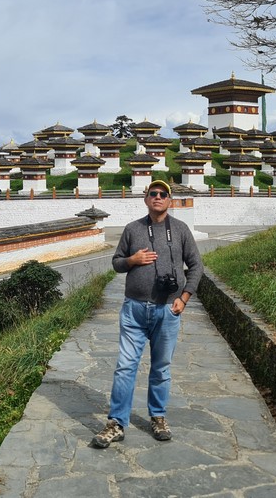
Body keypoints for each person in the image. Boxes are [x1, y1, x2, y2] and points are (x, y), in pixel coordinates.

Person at [91, 179, 204, 449]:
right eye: (152, 193)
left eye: (163, 194)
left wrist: (185, 297)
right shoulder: (133, 229)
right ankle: (117, 423)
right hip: (135, 309)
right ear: (145, 199)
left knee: (161, 368)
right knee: (125, 367)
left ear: (170, 200)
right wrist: (132, 261)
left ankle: (158, 416)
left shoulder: (180, 230)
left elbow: (197, 265)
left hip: (168, 309)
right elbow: (116, 263)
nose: (157, 197)